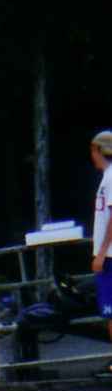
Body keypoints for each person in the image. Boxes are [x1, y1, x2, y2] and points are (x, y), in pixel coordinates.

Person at [90, 129, 112, 373]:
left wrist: (101, 252)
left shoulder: (111, 178)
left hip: (110, 256)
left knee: (111, 311)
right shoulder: (106, 177)